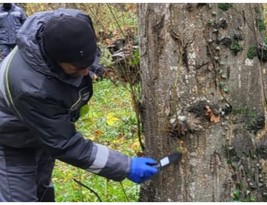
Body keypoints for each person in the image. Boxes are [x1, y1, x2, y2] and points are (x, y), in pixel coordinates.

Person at [0, 8, 158, 202]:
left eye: (88, 64)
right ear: (56, 60)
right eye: (76, 68)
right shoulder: (31, 88)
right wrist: (126, 166)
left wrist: (92, 65)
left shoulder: (77, 22)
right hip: (11, 140)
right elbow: (65, 144)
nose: (85, 73)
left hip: (44, 132)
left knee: (42, 191)